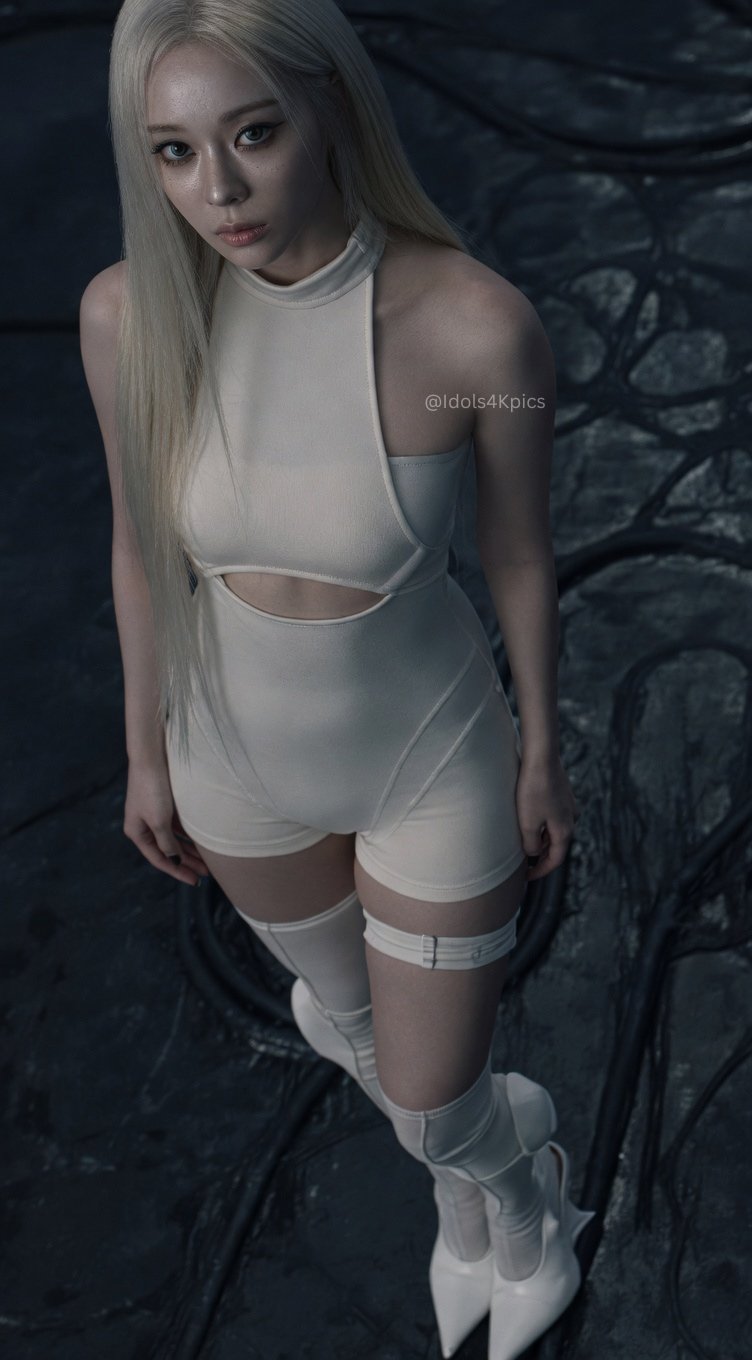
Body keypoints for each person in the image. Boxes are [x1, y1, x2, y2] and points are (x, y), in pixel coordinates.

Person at [78, 1, 595, 1355]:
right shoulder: (128, 316)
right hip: (232, 762)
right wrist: (145, 751)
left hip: (428, 761)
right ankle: (478, 1193)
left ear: (329, 109)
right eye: (175, 151)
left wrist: (543, 749)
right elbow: (137, 549)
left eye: (253, 134)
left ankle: (523, 1191)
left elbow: (520, 554)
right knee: (350, 1029)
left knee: (428, 1091)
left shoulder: (479, 330)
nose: (220, 189)